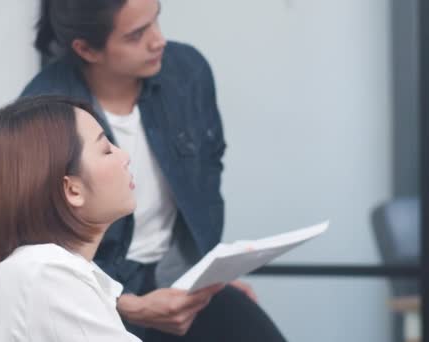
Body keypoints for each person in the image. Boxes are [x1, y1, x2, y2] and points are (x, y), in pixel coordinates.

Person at [21, 1, 287, 341]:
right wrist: (124, 303)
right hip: (99, 293)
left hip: (183, 276)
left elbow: (207, 175)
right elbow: (40, 250)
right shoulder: (45, 111)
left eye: (156, 20)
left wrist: (210, 274)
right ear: (86, 49)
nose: (158, 40)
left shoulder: (187, 72)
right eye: (136, 35)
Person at [0, 95, 171, 341]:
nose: (124, 157)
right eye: (106, 150)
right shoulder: (47, 272)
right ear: (72, 190)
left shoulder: (47, 270)